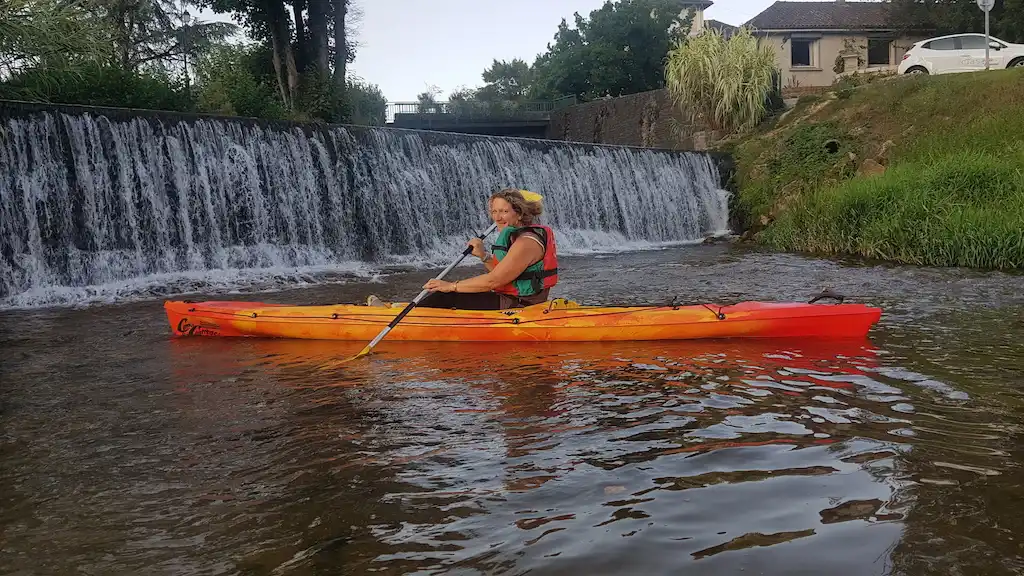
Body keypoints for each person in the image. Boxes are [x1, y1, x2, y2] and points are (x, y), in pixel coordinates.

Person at [366, 188, 559, 310]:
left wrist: (451, 286)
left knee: (445, 295)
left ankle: (404, 318)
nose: (497, 217)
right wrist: (484, 256)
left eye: (504, 211)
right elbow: (506, 274)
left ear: (519, 213)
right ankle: (410, 309)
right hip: (510, 298)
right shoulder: (520, 236)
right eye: (494, 211)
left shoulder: (526, 242)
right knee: (448, 295)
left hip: (520, 305)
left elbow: (494, 280)